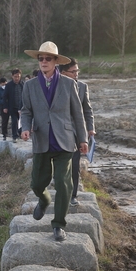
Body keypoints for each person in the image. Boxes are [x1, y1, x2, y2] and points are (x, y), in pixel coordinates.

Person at [20, 41, 88, 242]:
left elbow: (78, 113)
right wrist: (25, 127)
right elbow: (26, 110)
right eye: (40, 58)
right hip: (41, 139)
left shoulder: (69, 84)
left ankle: (58, 224)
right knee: (37, 184)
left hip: (64, 141)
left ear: (56, 61)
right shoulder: (30, 85)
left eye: (47, 58)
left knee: (63, 183)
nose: (43, 62)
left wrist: (82, 138)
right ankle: (44, 199)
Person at [59, 58, 96, 206]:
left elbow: (87, 110)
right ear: (63, 73)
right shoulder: (56, 87)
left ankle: (72, 195)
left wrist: (90, 128)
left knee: (75, 164)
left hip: (76, 133)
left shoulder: (82, 87)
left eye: (77, 71)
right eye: (73, 72)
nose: (76, 74)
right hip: (59, 132)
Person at [2, 69, 24, 143]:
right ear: (12, 76)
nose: (17, 78)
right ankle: (15, 136)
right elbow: (5, 97)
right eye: (15, 76)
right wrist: (5, 107)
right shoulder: (8, 85)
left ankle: (21, 134)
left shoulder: (23, 84)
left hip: (22, 107)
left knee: (22, 122)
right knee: (14, 121)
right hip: (13, 107)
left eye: (18, 76)